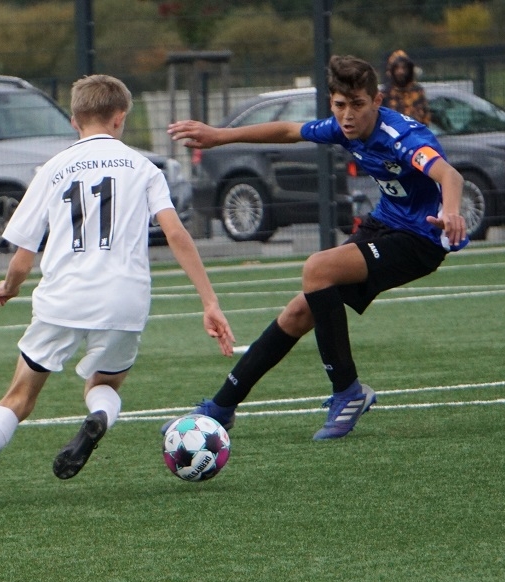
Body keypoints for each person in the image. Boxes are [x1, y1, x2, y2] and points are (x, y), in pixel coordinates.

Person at [0, 74, 235, 508]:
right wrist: (210, 301)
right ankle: (98, 417)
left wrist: (9, 286)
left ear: (74, 120)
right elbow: (176, 234)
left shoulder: (52, 169)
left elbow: (23, 257)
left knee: (20, 396)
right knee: (105, 382)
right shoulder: (143, 168)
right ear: (120, 118)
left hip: (64, 298)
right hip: (125, 299)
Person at [165, 55, 467, 441]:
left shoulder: (401, 136)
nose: (347, 115)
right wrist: (219, 136)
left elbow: (449, 175)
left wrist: (451, 212)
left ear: (377, 101)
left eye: (357, 104)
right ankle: (221, 407)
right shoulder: (343, 128)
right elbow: (288, 130)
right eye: (339, 105)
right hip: (384, 225)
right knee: (299, 311)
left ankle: (348, 391)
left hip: (421, 239)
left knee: (317, 268)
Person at [381, 49, 431, 126]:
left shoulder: (417, 91)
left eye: (404, 68)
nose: (400, 72)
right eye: (397, 68)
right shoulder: (385, 93)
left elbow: (425, 117)